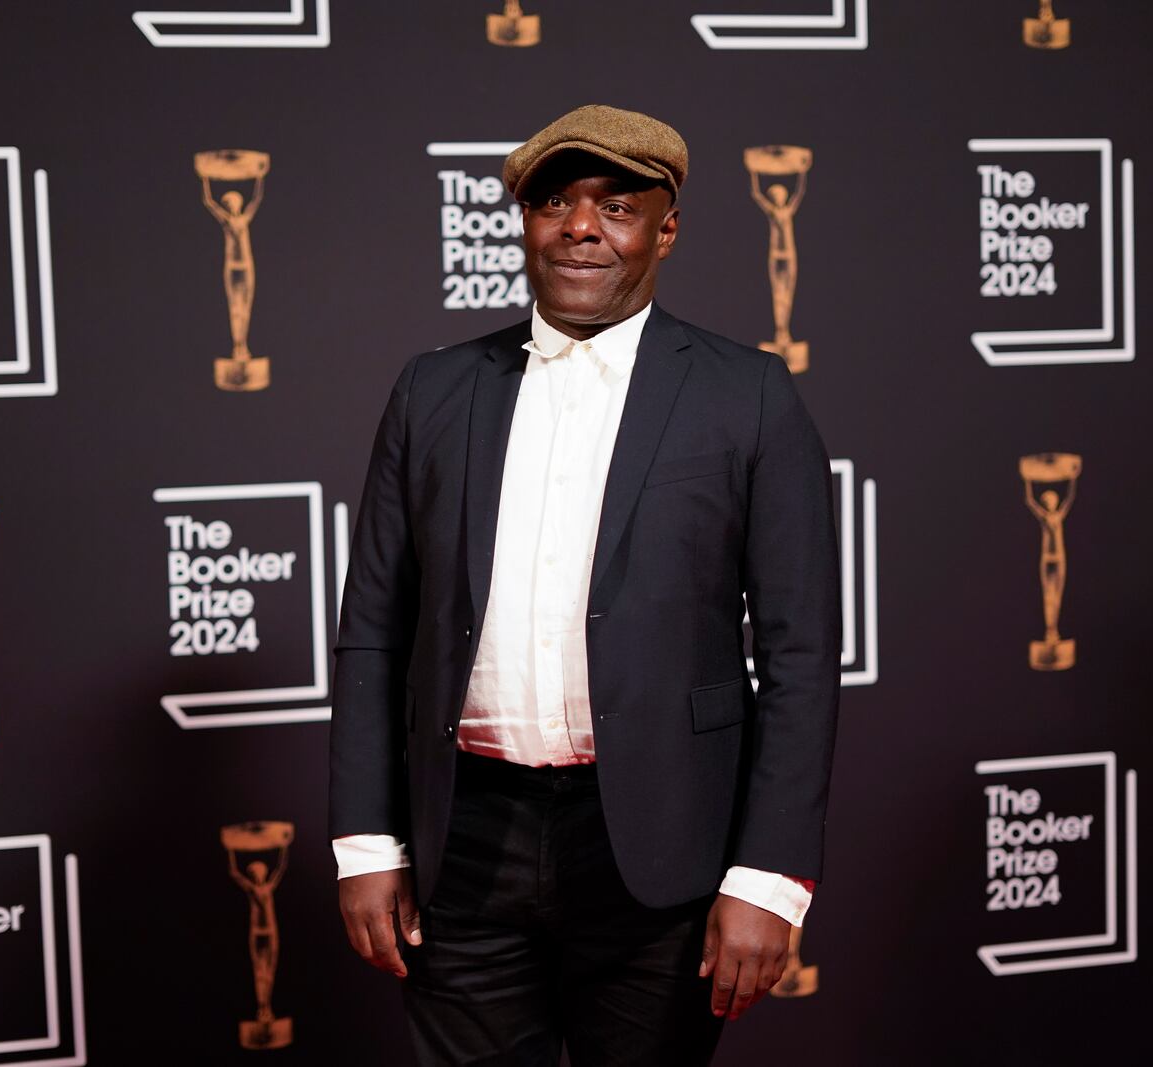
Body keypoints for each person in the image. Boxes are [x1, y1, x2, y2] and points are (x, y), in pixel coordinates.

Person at [329, 104, 842, 1066]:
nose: (580, 227)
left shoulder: (751, 393)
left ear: (666, 227)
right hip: (464, 843)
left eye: (617, 204)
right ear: (523, 220)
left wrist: (768, 874)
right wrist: (366, 842)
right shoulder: (432, 390)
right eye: (555, 200)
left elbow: (801, 653)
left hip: (661, 844)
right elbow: (374, 632)